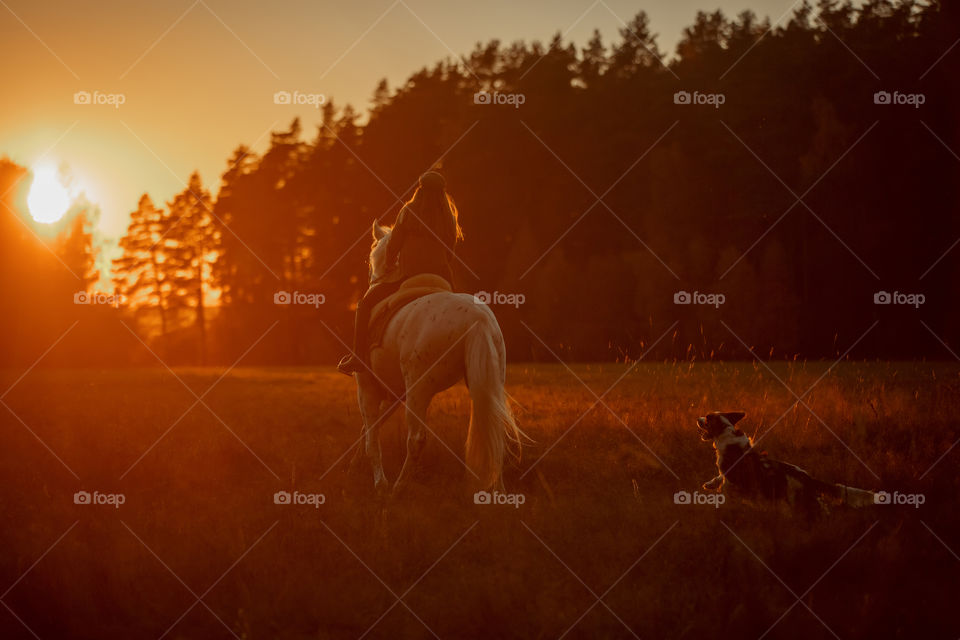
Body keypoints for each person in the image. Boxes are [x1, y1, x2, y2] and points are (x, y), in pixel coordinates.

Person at [337, 171, 463, 375]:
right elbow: (450, 252)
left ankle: (358, 357)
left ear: (420, 189)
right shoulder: (449, 217)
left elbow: (392, 246)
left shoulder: (409, 211)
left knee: (365, 304)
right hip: (443, 278)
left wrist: (388, 265)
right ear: (442, 193)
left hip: (409, 276)